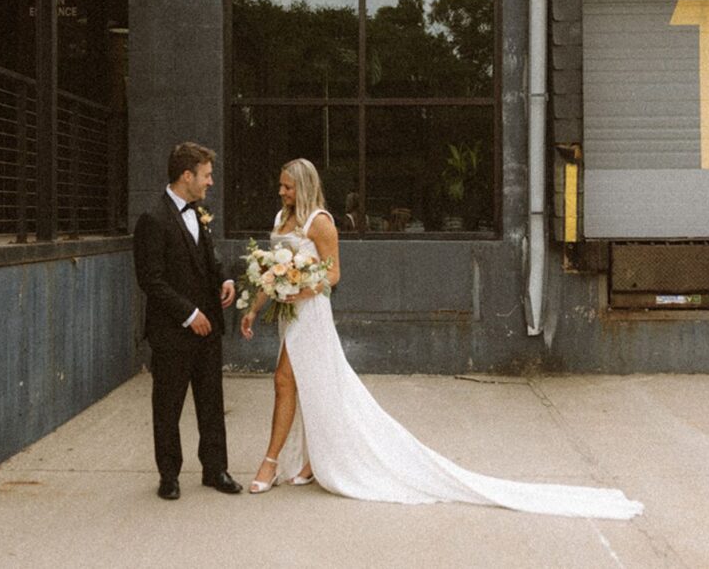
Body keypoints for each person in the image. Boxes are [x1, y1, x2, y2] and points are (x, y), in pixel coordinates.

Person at [240, 158, 643, 519]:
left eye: (287, 187)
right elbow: (271, 271)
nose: (281, 192)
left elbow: (333, 275)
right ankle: (311, 459)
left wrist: (300, 288)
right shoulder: (280, 220)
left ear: (304, 187)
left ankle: (272, 462)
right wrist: (256, 309)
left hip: (309, 314)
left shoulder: (320, 223)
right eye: (280, 187)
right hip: (286, 315)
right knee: (310, 384)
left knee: (286, 381)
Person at [133, 141, 242, 499]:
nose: (210, 182)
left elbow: (210, 258)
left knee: (211, 402)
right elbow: (151, 279)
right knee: (168, 406)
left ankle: (216, 470)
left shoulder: (200, 213)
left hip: (209, 330)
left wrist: (225, 277)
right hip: (172, 333)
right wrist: (188, 313)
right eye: (206, 175)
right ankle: (169, 475)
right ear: (187, 175)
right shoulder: (153, 218)